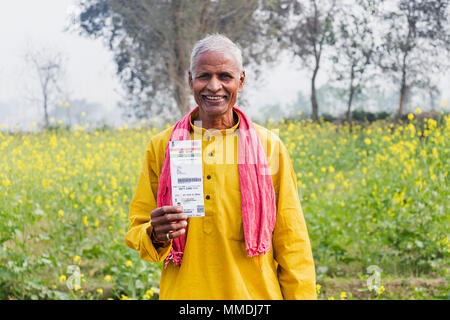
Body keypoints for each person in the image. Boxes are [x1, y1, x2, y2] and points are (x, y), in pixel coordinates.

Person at [125, 34, 316, 300]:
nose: (214, 86)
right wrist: (156, 234)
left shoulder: (268, 146)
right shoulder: (162, 146)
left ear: (241, 80)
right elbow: (139, 230)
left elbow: (292, 240)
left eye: (225, 76)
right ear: (190, 80)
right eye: (204, 76)